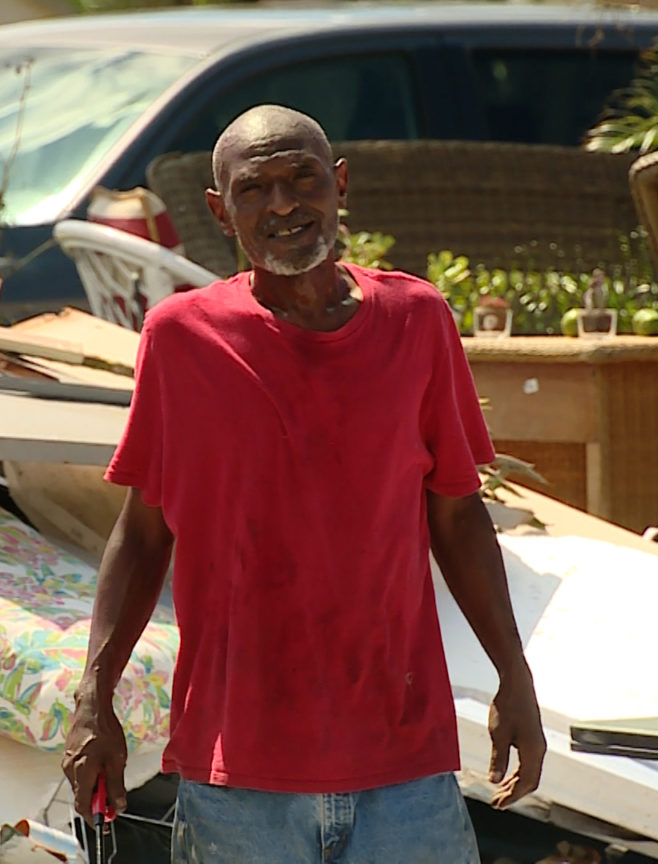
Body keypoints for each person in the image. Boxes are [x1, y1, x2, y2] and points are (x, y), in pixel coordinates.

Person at [60, 104, 544, 863]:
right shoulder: (182, 340)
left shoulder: (417, 321)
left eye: (302, 178)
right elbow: (144, 530)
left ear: (339, 185)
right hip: (239, 775)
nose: (284, 204)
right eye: (255, 189)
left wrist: (515, 676)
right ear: (222, 211)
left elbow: (457, 517)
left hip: (404, 767)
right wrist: (95, 696)